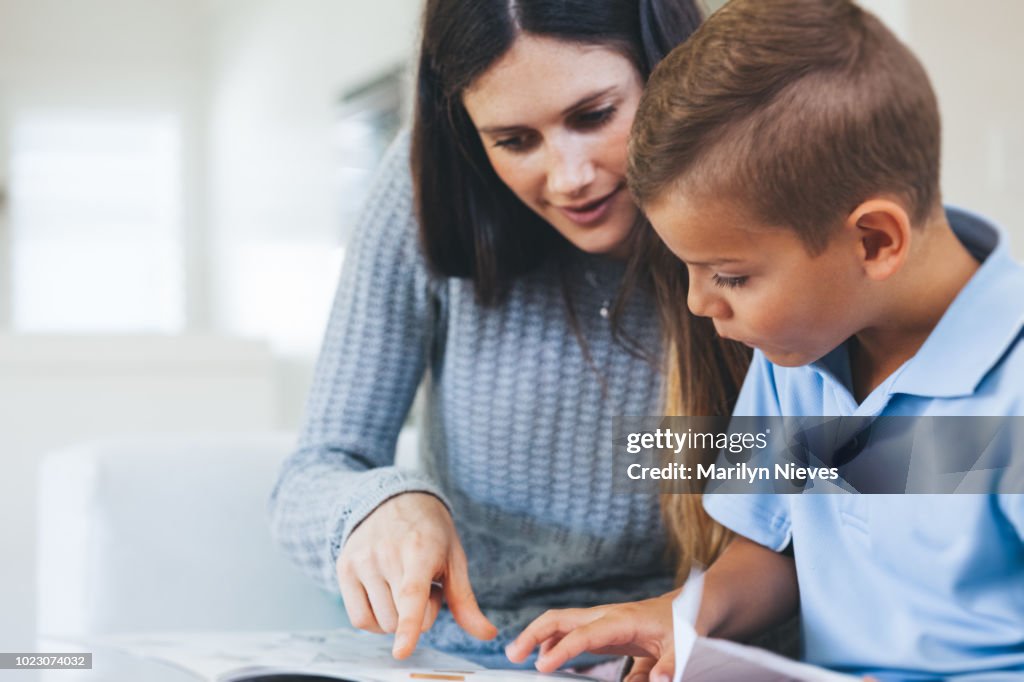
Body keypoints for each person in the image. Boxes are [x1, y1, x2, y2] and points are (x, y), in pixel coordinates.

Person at [506, 0, 1024, 679]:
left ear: (873, 241)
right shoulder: (798, 355)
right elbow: (772, 549)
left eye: (729, 275)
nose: (697, 303)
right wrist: (682, 617)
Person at [268, 0, 749, 672]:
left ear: (665, 69)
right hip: (477, 656)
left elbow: (894, 471)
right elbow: (313, 473)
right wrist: (378, 505)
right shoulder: (418, 199)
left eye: (594, 116)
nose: (568, 177)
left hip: (693, 653)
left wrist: (695, 605)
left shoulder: (766, 191)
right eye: (514, 141)